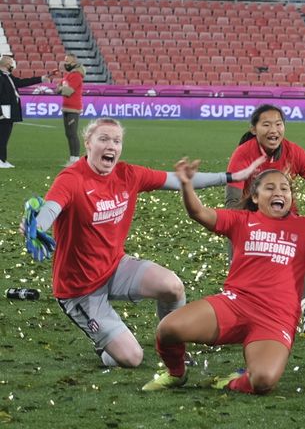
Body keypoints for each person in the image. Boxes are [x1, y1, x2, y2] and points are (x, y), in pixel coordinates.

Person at [24, 117, 261, 367]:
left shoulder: (127, 174)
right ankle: (105, 344)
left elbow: (178, 179)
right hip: (79, 288)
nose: (111, 145)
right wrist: (36, 226)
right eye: (103, 139)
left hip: (114, 267)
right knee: (131, 358)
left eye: (116, 141)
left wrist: (232, 176)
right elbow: (51, 208)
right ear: (88, 143)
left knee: (172, 287)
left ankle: (172, 347)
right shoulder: (71, 178)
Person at [143, 164, 305, 394]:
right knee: (168, 329)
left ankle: (233, 381)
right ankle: (177, 373)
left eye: (284, 189)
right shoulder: (241, 220)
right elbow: (199, 213)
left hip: (275, 318)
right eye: (270, 188)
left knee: (263, 381)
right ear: (255, 197)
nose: (278, 193)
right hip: (234, 305)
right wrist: (186, 185)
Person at [225, 104, 305, 335]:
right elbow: (232, 201)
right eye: (266, 124)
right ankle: (240, 308)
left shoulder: (294, 153)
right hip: (249, 217)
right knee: (244, 269)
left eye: (278, 124)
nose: (274, 130)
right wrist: (242, 230)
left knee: (299, 244)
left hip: (284, 219)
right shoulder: (243, 153)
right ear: (254, 129)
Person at [1, 53, 51, 168]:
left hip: (9, 111)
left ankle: (2, 159)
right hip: (3, 111)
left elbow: (22, 82)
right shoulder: (1, 77)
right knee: (2, 135)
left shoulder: (8, 76)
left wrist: (41, 78)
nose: (13, 65)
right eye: (11, 63)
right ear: (7, 64)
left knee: (5, 135)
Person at [56, 54, 84, 163]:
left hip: (73, 108)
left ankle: (75, 159)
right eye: (65, 62)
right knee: (68, 134)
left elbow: (68, 91)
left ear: (74, 63)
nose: (65, 64)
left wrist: (61, 88)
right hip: (66, 107)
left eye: (67, 62)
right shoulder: (68, 75)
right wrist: (61, 88)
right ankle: (72, 158)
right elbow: (57, 88)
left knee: (72, 133)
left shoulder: (76, 75)